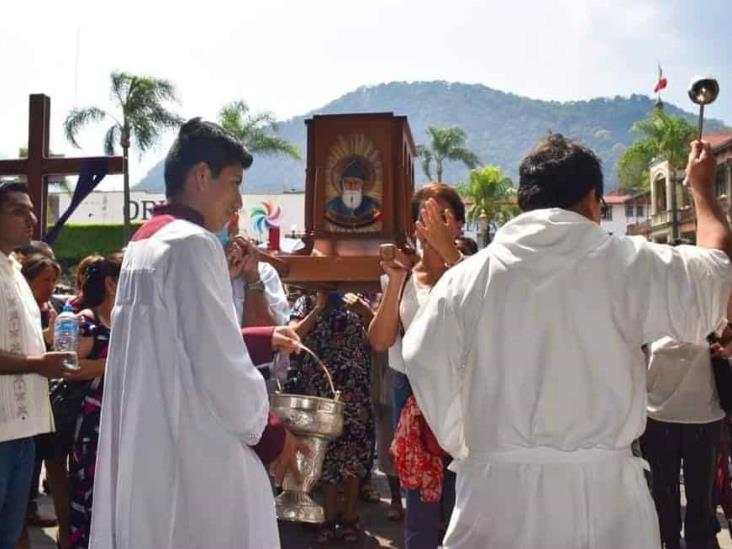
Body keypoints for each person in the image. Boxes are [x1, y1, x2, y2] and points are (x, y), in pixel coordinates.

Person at [401, 135, 732, 548]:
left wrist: (467, 442)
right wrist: (701, 188)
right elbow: (716, 275)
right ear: (593, 200)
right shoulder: (627, 263)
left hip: (495, 494)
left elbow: (421, 357)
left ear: (526, 200)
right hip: (603, 499)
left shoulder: (468, 279)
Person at [88, 119, 304, 549]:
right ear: (203, 176)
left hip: (153, 452)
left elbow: (176, 345)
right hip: (197, 460)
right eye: (235, 183)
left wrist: (261, 337)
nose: (239, 200)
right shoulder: (193, 243)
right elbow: (219, 368)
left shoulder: (144, 245)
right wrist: (273, 433)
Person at [369, 183, 465, 549]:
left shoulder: (475, 272)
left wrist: (453, 258)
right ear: (413, 227)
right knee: (420, 505)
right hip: (411, 396)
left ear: (458, 224)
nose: (433, 225)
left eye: (443, 216)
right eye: (424, 216)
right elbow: (380, 341)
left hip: (462, 394)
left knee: (463, 501)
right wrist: (395, 281)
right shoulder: (404, 278)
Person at [0, 181, 73, 549]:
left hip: (24, 427)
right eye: (18, 210)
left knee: (12, 533)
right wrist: (38, 363)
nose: (31, 218)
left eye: (31, 210)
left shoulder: (13, 268)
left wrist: (52, 347)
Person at [289, 291, 375, 544]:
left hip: (355, 393)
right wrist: (317, 309)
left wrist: (364, 310)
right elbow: (294, 337)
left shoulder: (359, 297)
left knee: (352, 457)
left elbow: (381, 337)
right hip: (320, 394)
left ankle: (349, 517)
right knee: (324, 455)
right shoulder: (306, 301)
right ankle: (327, 517)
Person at [641, 332, 728, 549]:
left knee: (701, 495)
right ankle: (667, 540)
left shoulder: (709, 308)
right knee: (662, 491)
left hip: (703, 416)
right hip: (658, 415)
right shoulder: (653, 309)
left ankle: (698, 541)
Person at [64, 253, 121, 548]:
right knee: (91, 496)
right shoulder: (86, 321)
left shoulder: (127, 323)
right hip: (92, 427)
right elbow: (67, 367)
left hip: (121, 424)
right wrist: (115, 364)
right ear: (111, 284)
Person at [18, 254, 72, 549]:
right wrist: (46, 337)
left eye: (54, 280)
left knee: (33, 459)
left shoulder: (53, 309)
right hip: (18, 406)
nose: (51, 286)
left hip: (41, 402)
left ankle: (27, 508)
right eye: (45, 281)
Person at [324, 160, 382, 228]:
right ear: (341, 184)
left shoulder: (373, 205)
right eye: (347, 182)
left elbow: (379, 220)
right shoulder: (331, 205)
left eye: (356, 182)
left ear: (362, 185)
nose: (352, 186)